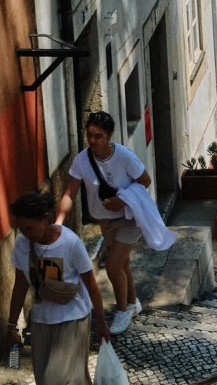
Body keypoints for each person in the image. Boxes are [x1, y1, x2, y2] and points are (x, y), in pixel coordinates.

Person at [6, 190, 110, 385]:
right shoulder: (22, 243)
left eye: (30, 227)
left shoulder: (70, 243)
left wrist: (102, 321)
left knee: (59, 380)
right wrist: (11, 326)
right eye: (22, 229)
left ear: (47, 218)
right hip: (41, 320)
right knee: (46, 382)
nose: (27, 234)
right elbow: (20, 284)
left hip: (73, 318)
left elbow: (91, 285)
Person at [56, 111, 151, 335]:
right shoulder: (82, 160)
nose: (92, 140)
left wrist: (121, 200)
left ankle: (122, 310)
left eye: (98, 136)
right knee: (123, 264)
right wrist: (58, 223)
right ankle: (133, 302)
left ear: (109, 137)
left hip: (129, 218)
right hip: (105, 221)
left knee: (113, 265)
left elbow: (145, 180)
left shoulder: (124, 156)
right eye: (89, 135)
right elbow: (70, 193)